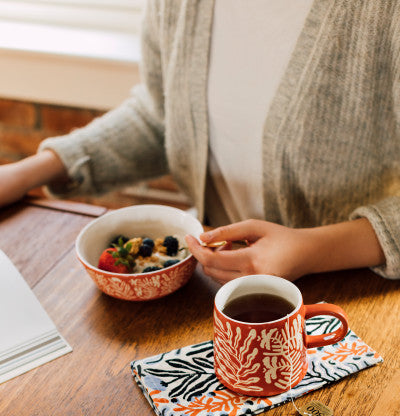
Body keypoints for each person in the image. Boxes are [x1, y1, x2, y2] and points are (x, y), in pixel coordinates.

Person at [1, 0, 399, 284]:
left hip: (353, 295)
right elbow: (163, 116)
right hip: (217, 285)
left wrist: (311, 250)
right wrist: (27, 172)